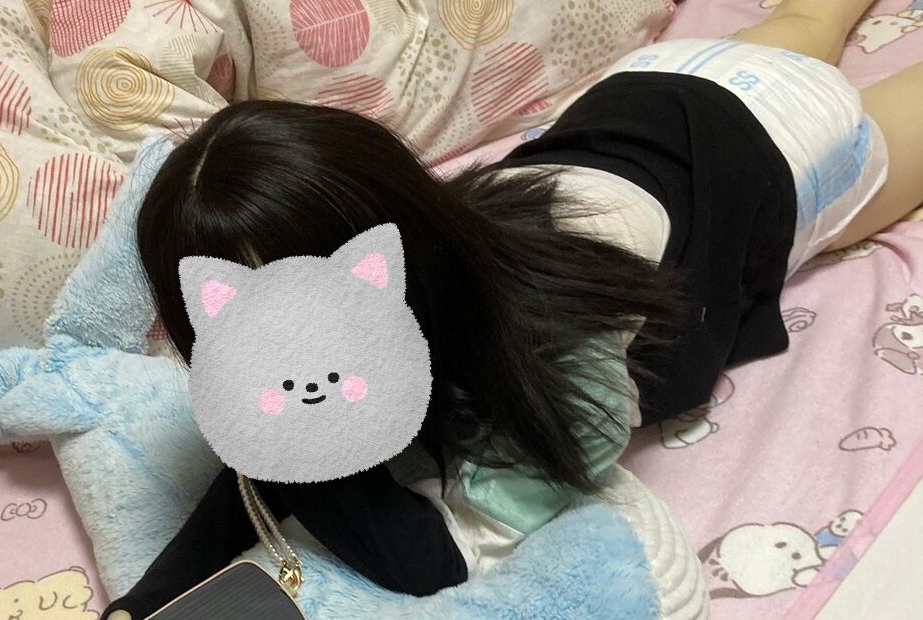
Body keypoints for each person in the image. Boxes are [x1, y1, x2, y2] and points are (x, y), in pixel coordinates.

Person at [103, 1, 923, 617]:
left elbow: (429, 561)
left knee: (822, 50)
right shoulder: (427, 252)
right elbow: (262, 457)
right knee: (807, 19)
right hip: (632, 100)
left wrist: (294, 445)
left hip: (770, 144)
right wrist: (142, 603)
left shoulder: (563, 358)